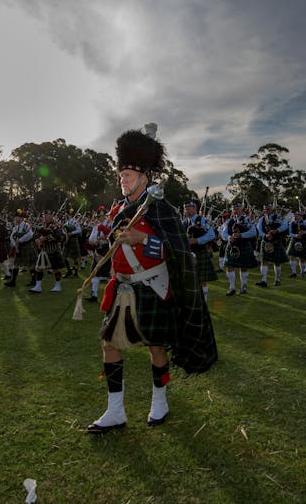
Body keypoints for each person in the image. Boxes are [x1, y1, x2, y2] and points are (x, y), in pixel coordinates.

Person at [87, 124, 218, 434]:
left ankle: (160, 401)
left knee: (156, 348)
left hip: (152, 287)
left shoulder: (163, 209)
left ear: (144, 178)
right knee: (109, 344)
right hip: (123, 288)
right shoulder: (119, 209)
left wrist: (142, 240)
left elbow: (178, 251)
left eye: (128, 176)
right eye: (120, 176)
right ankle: (115, 411)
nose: (122, 180)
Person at [181, 199, 217, 301]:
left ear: (195, 209)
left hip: (200, 252)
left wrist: (197, 240)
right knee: (189, 279)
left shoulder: (202, 220)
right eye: (185, 209)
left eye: (188, 208)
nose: (186, 210)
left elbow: (211, 235)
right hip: (188, 254)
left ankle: (204, 301)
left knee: (202, 280)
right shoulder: (184, 222)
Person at [255, 204, 289, 287]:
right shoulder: (262, 219)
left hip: (276, 241)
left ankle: (277, 279)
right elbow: (259, 229)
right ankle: (264, 281)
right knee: (264, 261)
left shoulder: (278, 217)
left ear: (272, 210)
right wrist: (265, 235)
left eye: (268, 209)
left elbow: (285, 225)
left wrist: (276, 230)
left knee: (277, 262)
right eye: (264, 209)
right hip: (266, 241)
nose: (266, 211)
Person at [4, 210, 37, 288]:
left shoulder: (26, 225)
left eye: (16, 217)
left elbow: (30, 235)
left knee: (31, 265)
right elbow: (12, 236)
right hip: (19, 247)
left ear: (21, 218)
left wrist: (19, 241)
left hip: (27, 246)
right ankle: (13, 281)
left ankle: (33, 280)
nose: (15, 219)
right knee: (16, 264)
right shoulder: (16, 227)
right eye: (15, 217)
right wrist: (15, 244)